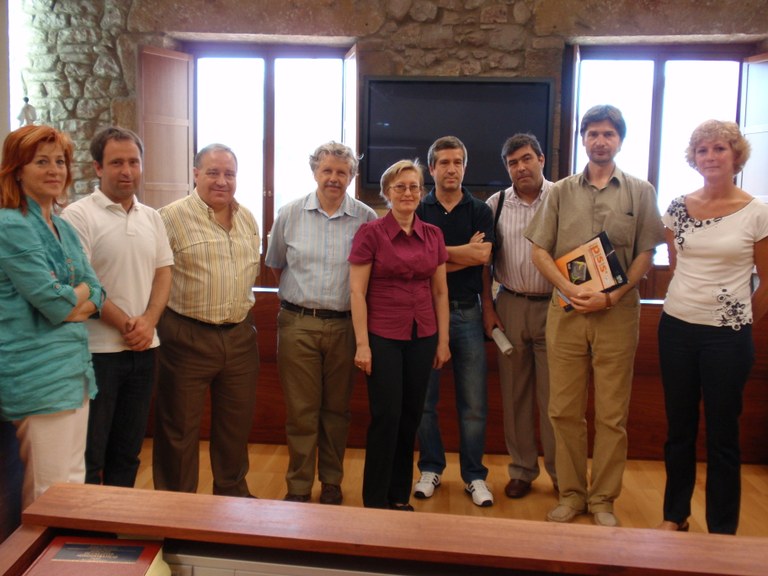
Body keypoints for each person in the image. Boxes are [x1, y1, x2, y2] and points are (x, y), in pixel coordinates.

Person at [525, 105, 665, 527]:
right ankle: (571, 494)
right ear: (582, 139)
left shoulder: (640, 192)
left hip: (617, 314)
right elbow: (539, 250)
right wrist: (568, 289)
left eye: (608, 134)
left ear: (619, 139)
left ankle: (603, 499)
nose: (600, 141)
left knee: (611, 414)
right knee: (563, 409)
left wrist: (612, 297)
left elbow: (646, 253)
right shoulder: (560, 191)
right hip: (565, 313)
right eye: (592, 134)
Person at [657, 120, 768, 535]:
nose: (710, 157)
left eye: (719, 148)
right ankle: (674, 514)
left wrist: (739, 318)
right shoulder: (677, 208)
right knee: (678, 429)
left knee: (723, 435)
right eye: (702, 150)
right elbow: (676, 265)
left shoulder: (758, 212)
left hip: (728, 338)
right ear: (694, 158)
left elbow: (766, 281)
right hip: (677, 330)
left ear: (736, 155)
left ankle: (722, 529)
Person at [61, 126, 173, 488]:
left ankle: (118, 534)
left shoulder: (151, 217)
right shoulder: (77, 216)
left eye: (134, 162)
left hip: (144, 350)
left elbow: (163, 273)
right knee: (92, 453)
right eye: (116, 163)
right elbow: (84, 282)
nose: (127, 171)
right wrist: (129, 324)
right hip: (97, 352)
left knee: (128, 451)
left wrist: (149, 322)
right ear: (97, 167)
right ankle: (90, 540)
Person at [265, 142, 377, 504]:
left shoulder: (366, 219)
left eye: (341, 172)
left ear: (351, 176)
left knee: (336, 412)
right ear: (315, 172)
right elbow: (276, 264)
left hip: (345, 326)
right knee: (300, 412)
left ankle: (331, 482)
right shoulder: (290, 214)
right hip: (298, 323)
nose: (334, 178)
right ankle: (298, 485)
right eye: (327, 170)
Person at [0, 125, 104, 508]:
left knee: (71, 485)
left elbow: (98, 289)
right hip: (36, 375)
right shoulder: (10, 225)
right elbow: (55, 304)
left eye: (59, 161)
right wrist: (77, 296)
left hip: (73, 371)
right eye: (41, 162)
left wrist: (75, 296)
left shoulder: (60, 225)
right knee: (50, 493)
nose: (54, 170)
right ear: (16, 170)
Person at [152, 143, 261, 497]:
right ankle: (176, 505)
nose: (222, 181)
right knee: (178, 429)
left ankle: (232, 497)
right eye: (213, 172)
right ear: (195, 174)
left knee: (235, 426)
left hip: (240, 337)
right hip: (186, 335)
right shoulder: (169, 217)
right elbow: (153, 274)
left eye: (229, 174)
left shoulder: (247, 218)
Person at [349, 159, 450, 510]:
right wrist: (362, 344)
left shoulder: (433, 235)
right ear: (387, 193)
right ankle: (375, 500)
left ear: (422, 192)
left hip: (422, 334)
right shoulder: (371, 233)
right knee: (386, 416)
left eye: (414, 187)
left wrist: (443, 340)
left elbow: (440, 292)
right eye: (400, 187)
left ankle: (398, 496)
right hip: (382, 336)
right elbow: (357, 292)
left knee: (412, 417)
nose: (408, 193)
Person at [414, 135, 496, 507]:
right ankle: (430, 467)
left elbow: (483, 258)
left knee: (473, 402)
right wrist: (462, 252)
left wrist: (436, 257)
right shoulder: (416, 206)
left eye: (457, 162)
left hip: (467, 310)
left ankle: (474, 476)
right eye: (444, 162)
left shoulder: (480, 210)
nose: (451, 168)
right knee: (424, 400)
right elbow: (415, 261)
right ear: (431, 168)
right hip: (423, 312)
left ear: (465, 166)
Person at [483, 133, 557, 499]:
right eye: (513, 163)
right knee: (515, 395)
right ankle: (522, 470)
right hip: (509, 304)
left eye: (527, 158)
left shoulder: (562, 198)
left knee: (556, 398)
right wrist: (488, 309)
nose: (521, 167)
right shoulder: (495, 204)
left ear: (541, 159)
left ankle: (563, 475)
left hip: (557, 308)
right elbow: (483, 261)